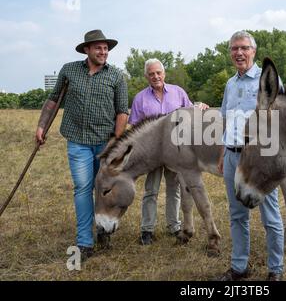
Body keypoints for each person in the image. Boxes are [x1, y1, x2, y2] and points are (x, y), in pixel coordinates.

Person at [35, 29, 129, 260]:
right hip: (77, 141)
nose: (103, 51)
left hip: (104, 143)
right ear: (86, 49)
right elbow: (54, 100)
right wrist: (41, 126)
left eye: (106, 48)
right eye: (98, 47)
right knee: (82, 189)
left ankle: (102, 229)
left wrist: (116, 143)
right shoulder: (69, 71)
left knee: (103, 190)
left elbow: (122, 112)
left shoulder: (116, 76)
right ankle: (84, 242)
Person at [216, 30, 284, 281]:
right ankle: (239, 267)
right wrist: (224, 152)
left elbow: (278, 122)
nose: (239, 53)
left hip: (259, 159)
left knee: (270, 216)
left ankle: (275, 270)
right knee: (237, 214)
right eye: (234, 48)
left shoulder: (266, 81)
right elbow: (226, 120)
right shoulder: (230, 84)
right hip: (233, 156)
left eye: (244, 48)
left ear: (253, 51)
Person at [128, 58, 209, 245]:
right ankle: (147, 229)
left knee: (175, 189)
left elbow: (190, 110)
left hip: (177, 151)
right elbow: (134, 127)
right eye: (151, 74)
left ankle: (174, 226)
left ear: (164, 74)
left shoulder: (178, 92)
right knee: (151, 190)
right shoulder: (140, 98)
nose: (155, 76)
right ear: (146, 76)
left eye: (158, 73)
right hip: (153, 153)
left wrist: (200, 106)